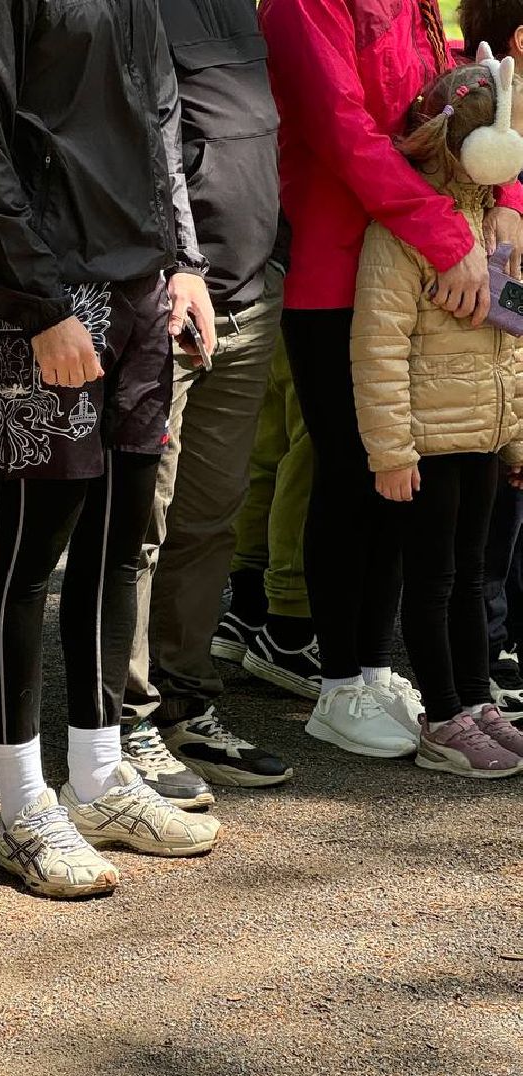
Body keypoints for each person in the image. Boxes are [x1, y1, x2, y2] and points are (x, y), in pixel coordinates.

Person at [0, 0, 223, 901]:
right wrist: (39, 304)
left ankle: (98, 781)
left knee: (115, 548)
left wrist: (185, 263)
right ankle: (22, 811)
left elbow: (162, 115)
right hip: (46, 298)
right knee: (28, 560)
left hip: (143, 290)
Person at [260, 0, 523, 759]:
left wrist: (504, 202)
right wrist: (447, 233)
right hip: (341, 268)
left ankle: (374, 669)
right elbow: (344, 131)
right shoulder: (301, 7)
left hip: (429, 259)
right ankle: (339, 683)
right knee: (352, 474)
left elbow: (463, 102)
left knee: (400, 492)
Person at [123, 0, 295, 804]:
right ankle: (125, 723)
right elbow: (133, 148)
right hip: (164, 307)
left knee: (209, 517)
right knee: (139, 528)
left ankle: (187, 706)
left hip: (250, 303)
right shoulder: (135, 9)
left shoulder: (242, 11)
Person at [350, 58, 523, 776]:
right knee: (433, 578)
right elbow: (378, 346)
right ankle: (443, 713)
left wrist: (516, 438)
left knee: (478, 568)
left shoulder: (496, 222)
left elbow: (513, 335)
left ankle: (477, 699)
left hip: (482, 434)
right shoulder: (401, 233)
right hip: (427, 441)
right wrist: (391, 451)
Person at [459, 0, 523, 719]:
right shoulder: (495, 130)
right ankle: (489, 650)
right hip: (487, 385)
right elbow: (508, 307)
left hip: (505, 381)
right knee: (491, 526)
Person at [214, 327, 321, 704]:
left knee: (273, 443)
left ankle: (250, 608)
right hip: (322, 296)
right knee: (310, 452)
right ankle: (287, 627)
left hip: (278, 290)